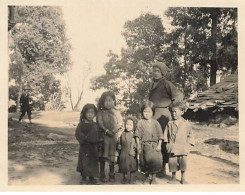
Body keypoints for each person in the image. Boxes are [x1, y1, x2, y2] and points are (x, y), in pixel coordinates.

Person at [149, 61, 184, 176]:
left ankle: (163, 166)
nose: (155, 73)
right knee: (152, 138)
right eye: (154, 71)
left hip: (164, 114)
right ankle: (155, 165)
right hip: (153, 113)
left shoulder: (166, 83)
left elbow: (179, 95)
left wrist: (171, 106)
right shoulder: (152, 84)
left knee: (164, 139)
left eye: (158, 71)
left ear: (162, 73)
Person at [163, 101, 194, 184]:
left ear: (182, 112)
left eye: (175, 112)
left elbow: (190, 135)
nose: (173, 114)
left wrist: (188, 145)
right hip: (172, 147)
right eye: (172, 112)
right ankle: (173, 178)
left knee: (183, 164)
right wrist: (167, 143)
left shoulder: (186, 124)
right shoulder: (170, 123)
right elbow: (165, 133)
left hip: (183, 147)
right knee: (172, 163)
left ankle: (183, 178)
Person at [96, 91, 124, 182]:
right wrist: (106, 130)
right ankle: (102, 173)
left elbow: (120, 123)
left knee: (112, 157)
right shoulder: (101, 112)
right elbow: (100, 122)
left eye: (110, 100)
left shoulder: (116, 112)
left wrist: (115, 131)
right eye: (106, 101)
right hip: (103, 137)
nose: (108, 103)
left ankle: (112, 173)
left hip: (113, 138)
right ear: (102, 102)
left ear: (114, 101)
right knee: (102, 157)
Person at [134, 101, 163, 184]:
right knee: (144, 162)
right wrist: (138, 144)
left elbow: (160, 135)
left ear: (153, 112)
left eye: (149, 112)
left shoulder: (156, 123)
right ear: (142, 112)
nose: (146, 114)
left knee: (154, 162)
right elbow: (137, 135)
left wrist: (159, 145)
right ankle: (147, 177)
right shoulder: (140, 122)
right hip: (144, 146)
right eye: (145, 111)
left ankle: (153, 178)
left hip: (154, 146)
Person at [75, 104, 100, 184]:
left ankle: (92, 177)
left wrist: (97, 141)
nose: (90, 115)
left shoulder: (95, 125)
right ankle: (84, 177)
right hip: (85, 147)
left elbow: (98, 134)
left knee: (93, 161)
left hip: (93, 147)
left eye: (92, 113)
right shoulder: (81, 124)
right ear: (84, 113)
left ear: (95, 114)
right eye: (88, 112)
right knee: (84, 161)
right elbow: (78, 133)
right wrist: (84, 138)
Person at [117, 116, 138, 184]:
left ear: (134, 126)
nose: (128, 126)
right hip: (124, 151)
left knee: (132, 165)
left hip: (132, 152)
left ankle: (131, 178)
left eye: (130, 125)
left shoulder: (134, 134)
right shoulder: (123, 133)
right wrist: (119, 145)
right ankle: (124, 177)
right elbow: (119, 141)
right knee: (124, 165)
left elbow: (137, 143)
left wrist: (135, 149)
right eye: (127, 124)